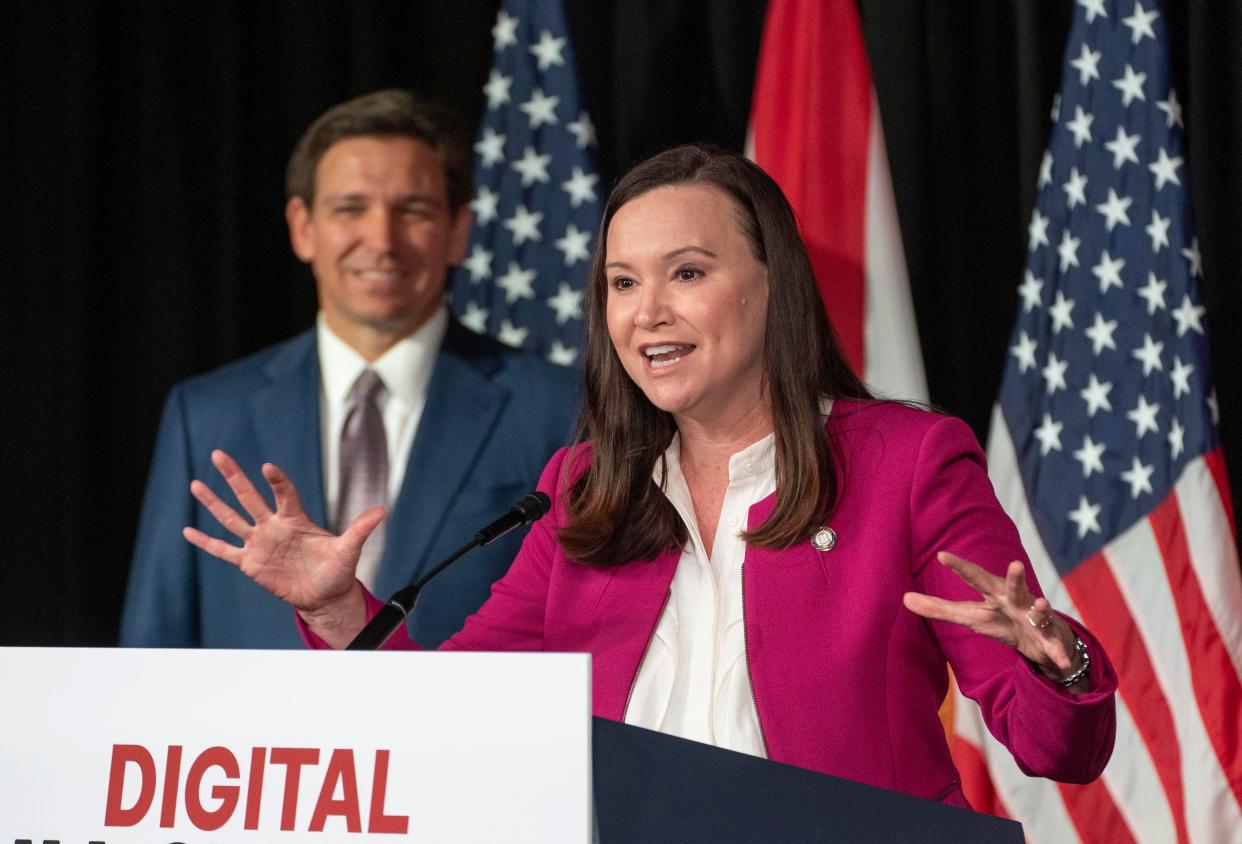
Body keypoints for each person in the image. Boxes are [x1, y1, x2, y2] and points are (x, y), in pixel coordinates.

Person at [184, 144, 1116, 807]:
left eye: (686, 272)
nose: (647, 311)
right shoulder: (585, 489)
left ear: (769, 283)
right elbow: (454, 718)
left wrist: (1054, 656)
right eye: (622, 283)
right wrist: (341, 610)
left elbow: (1058, 749)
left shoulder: (906, 463)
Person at [121, 90, 577, 649]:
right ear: (303, 226)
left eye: (413, 210)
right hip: (258, 738)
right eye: (349, 208)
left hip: (464, 735)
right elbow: (155, 647)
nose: (381, 240)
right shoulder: (208, 413)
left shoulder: (558, 408)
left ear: (459, 230)